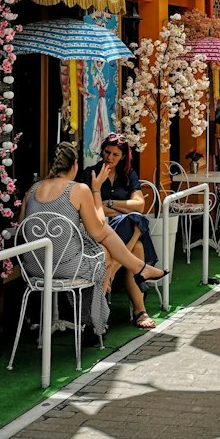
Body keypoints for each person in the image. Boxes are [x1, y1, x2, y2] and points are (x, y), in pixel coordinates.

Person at [20, 141, 166, 341]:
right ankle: (93, 320)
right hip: (64, 268)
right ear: (75, 165)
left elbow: (22, 228)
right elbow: (98, 230)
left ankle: (137, 270)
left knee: (104, 249)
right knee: (104, 251)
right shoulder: (79, 189)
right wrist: (96, 190)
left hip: (33, 268)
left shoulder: (32, 189)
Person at [84, 134, 159, 331]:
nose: (110, 157)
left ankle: (110, 273)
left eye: (115, 154)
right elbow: (90, 209)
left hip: (116, 233)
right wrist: (124, 208)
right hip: (97, 233)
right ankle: (140, 311)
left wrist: (108, 204)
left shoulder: (128, 176)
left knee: (132, 222)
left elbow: (140, 205)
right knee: (135, 238)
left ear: (123, 156)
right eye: (107, 152)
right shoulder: (91, 173)